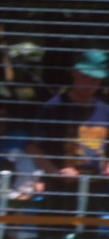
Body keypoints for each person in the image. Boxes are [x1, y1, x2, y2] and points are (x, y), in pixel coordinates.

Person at [25, 49, 109, 208]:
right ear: (75, 74)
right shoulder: (54, 108)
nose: (89, 84)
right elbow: (33, 148)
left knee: (90, 233)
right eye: (85, 77)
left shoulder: (105, 111)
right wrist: (57, 173)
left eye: (95, 80)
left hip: (96, 194)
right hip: (60, 194)